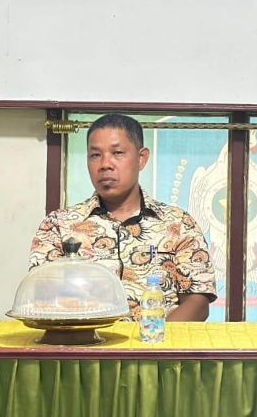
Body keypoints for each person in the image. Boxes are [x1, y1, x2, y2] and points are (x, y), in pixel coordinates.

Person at [29, 114, 216, 320]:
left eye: (117, 153)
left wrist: (154, 337)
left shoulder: (179, 224)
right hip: (83, 339)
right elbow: (43, 296)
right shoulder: (58, 225)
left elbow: (198, 301)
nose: (105, 164)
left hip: (159, 338)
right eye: (95, 155)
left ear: (141, 158)